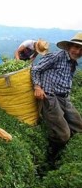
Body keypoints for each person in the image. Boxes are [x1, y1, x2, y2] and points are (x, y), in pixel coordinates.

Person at [31, 32, 82, 165]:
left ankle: (66, 151)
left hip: (65, 98)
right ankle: (51, 156)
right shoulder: (56, 56)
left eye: (81, 49)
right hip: (50, 97)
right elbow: (36, 69)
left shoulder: (73, 62)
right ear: (69, 46)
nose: (77, 51)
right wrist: (37, 87)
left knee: (78, 126)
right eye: (75, 47)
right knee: (63, 134)